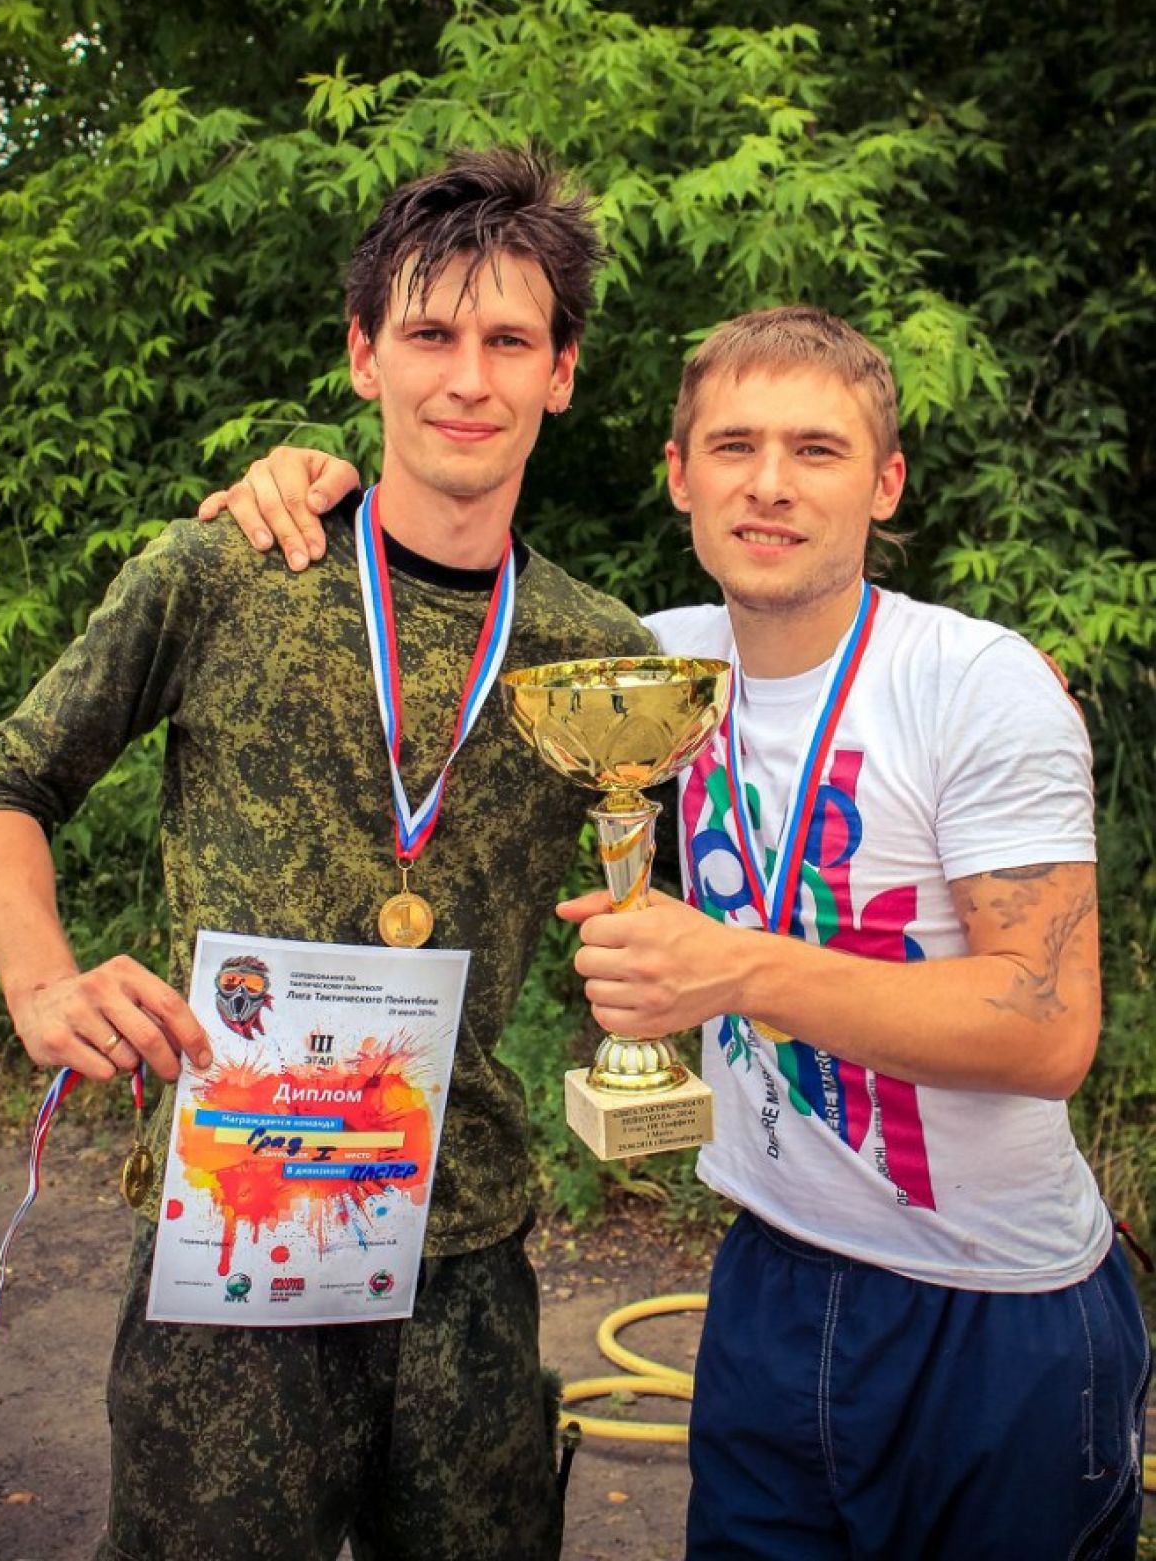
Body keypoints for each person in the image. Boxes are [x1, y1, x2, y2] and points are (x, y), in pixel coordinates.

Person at [215, 307, 1151, 1560]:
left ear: (885, 484)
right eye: (734, 446)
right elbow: (428, 609)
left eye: (817, 450)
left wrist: (734, 969)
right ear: (679, 475)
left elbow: (1050, 1031)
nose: (770, 484)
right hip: (767, 1276)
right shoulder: (648, 665)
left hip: (990, 1304)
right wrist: (308, 496)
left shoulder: (975, 686)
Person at [0, 147, 654, 1561]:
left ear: (562, 373)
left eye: (510, 340)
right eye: (430, 334)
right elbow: (1, 781)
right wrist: (39, 979)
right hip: (230, 1233)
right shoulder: (228, 570)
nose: (468, 378)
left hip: (465, 1253)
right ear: (363, 356)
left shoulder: (603, 659)